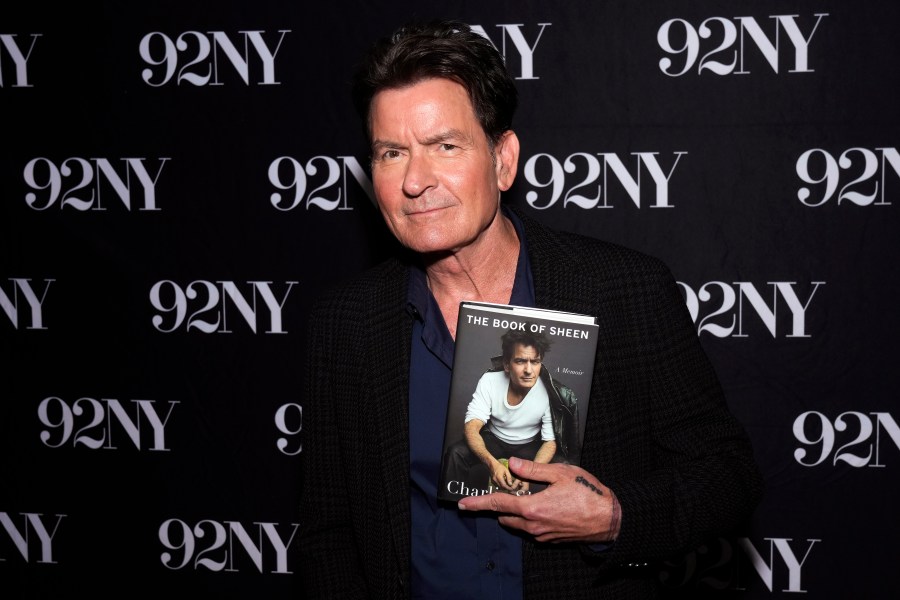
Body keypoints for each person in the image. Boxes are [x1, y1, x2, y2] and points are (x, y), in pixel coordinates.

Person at [298, 19, 764, 599]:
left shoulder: (623, 291)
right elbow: (329, 531)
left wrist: (614, 517)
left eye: (445, 146)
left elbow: (727, 476)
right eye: (392, 153)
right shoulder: (346, 322)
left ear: (503, 159)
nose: (415, 181)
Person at [440, 328, 566, 495]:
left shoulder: (549, 392)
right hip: (494, 439)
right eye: (520, 361)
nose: (529, 370)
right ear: (507, 364)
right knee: (456, 453)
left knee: (565, 465)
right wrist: (492, 464)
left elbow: (550, 442)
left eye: (535, 362)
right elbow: (471, 427)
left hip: (529, 444)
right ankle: (451, 504)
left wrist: (530, 473)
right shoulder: (490, 381)